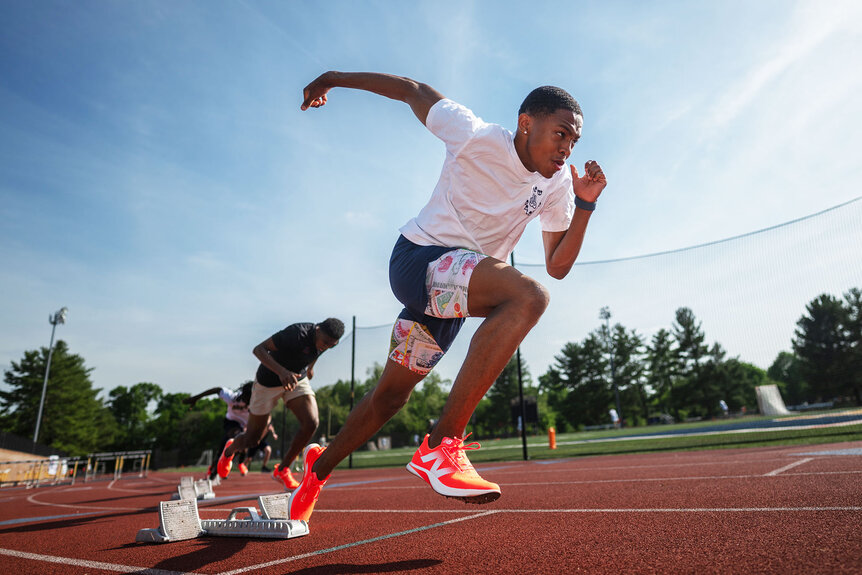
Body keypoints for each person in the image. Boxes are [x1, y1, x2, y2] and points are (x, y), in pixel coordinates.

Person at [288, 71, 607, 522]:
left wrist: (586, 205)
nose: (565, 150)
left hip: (451, 296)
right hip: (419, 262)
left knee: (389, 399)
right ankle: (441, 445)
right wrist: (332, 79)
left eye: (573, 142)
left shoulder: (556, 186)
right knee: (527, 297)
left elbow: (557, 264)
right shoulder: (473, 135)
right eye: (560, 135)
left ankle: (316, 472)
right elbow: (411, 91)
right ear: (525, 123)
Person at [216, 318, 344, 490]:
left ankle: (282, 470)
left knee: (311, 422)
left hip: (297, 379)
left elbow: (316, 352)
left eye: (332, 345)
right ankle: (229, 451)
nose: (327, 346)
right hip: (267, 382)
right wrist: (282, 372)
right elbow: (259, 349)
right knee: (252, 439)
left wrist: (311, 368)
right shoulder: (296, 334)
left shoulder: (323, 343)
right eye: (326, 342)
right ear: (318, 329)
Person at [184, 382, 253, 480]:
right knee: (235, 435)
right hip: (231, 422)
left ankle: (223, 465)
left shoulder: (256, 402)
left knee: (241, 447)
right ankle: (216, 469)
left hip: (244, 425)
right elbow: (217, 390)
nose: (249, 402)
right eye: (248, 399)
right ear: (244, 395)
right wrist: (196, 398)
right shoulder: (232, 397)